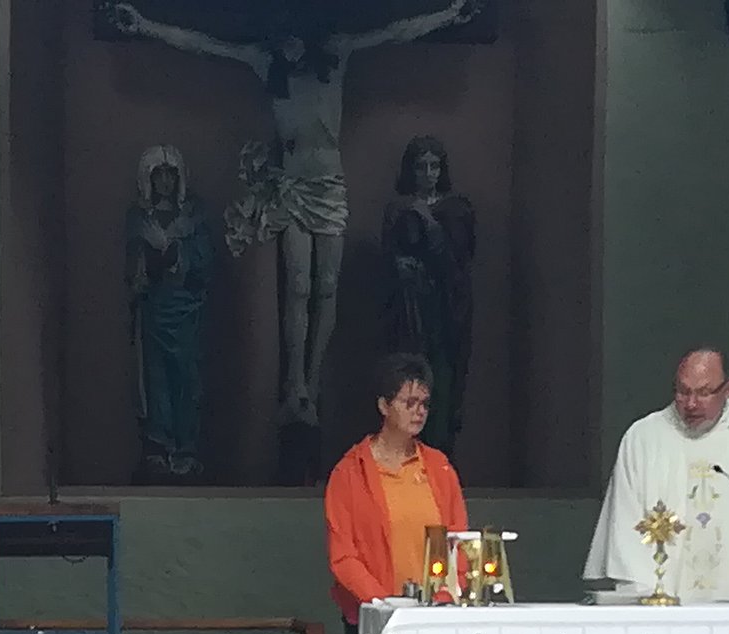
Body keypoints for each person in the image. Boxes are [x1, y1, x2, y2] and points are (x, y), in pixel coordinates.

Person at [109, 0, 477, 426]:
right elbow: (204, 44)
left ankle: (312, 384)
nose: (289, 44)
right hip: (293, 188)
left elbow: (394, 31)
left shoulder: (336, 55)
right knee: (299, 285)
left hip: (329, 186)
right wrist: (144, 24)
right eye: (281, 36)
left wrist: (448, 15)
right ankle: (295, 383)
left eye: (295, 35)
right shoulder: (266, 63)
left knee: (327, 287)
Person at [583, 348, 729, 603]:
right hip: (666, 605)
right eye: (683, 392)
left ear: (728, 389)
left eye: (704, 393)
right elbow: (625, 522)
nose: (691, 404)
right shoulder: (644, 437)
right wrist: (643, 593)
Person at [325, 352, 470, 634]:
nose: (419, 412)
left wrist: (446, 598)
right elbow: (343, 556)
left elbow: (458, 542)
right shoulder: (349, 473)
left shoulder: (439, 467)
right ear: (383, 406)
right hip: (376, 618)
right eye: (409, 402)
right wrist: (386, 606)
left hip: (436, 617)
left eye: (424, 404)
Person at [383, 135, 476, 455]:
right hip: (409, 313)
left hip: (446, 312)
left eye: (434, 166)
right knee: (408, 384)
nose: (428, 173)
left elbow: (459, 259)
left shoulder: (456, 210)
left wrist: (428, 221)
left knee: (443, 388)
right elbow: (388, 259)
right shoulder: (398, 209)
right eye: (421, 166)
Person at [126, 144, 214, 482]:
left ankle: (185, 449)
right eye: (158, 175)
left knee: (187, 380)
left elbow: (205, 262)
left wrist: (179, 256)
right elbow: (133, 265)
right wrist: (145, 268)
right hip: (153, 311)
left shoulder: (194, 217)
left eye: (170, 174)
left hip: (187, 313)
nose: (164, 181)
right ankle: (158, 448)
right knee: (155, 380)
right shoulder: (140, 219)